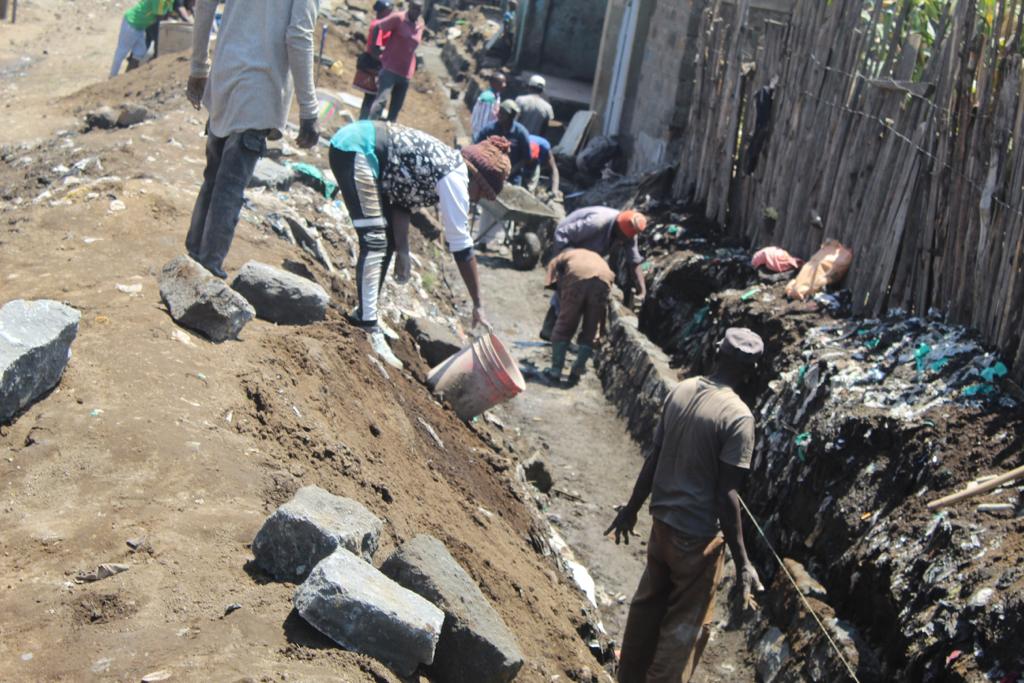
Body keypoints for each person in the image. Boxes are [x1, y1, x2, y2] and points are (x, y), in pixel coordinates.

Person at [605, 328, 766, 683]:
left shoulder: (682, 389)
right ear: (752, 371)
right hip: (696, 542)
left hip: (661, 526)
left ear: (716, 352)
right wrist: (743, 564)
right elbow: (727, 495)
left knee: (647, 609)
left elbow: (654, 457)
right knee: (684, 633)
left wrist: (631, 509)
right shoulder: (739, 418)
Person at [328, 120, 511, 369]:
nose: (477, 200)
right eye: (482, 193)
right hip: (357, 148)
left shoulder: (442, 167)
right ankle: (367, 326)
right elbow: (461, 246)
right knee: (374, 241)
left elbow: (402, 203)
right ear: (477, 179)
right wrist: (478, 304)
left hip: (361, 148)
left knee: (386, 241)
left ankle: (366, 313)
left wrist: (403, 251)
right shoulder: (454, 176)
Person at [184, 0, 320, 279]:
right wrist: (309, 109)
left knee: (214, 174)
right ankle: (208, 266)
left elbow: (205, 6)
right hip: (260, 87)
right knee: (231, 184)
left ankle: (194, 255)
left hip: (224, 77)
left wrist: (199, 67)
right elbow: (298, 35)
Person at [540, 207, 647, 339]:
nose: (622, 241)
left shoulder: (629, 234)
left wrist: (642, 290)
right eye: (622, 237)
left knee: (587, 286)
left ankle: (564, 333)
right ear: (618, 228)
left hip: (591, 252)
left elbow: (634, 261)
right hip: (568, 242)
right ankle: (552, 329)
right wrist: (565, 259)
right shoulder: (596, 222)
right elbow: (562, 232)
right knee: (573, 283)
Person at [542, 249, 611, 386]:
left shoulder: (563, 256)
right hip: (604, 279)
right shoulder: (594, 257)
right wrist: (601, 328)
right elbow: (603, 308)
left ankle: (555, 371)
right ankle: (577, 371)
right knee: (589, 331)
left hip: (577, 277)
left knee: (564, 325)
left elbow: (552, 265)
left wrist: (550, 283)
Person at [367, 0, 424, 122]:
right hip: (390, 68)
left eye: (419, 10)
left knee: (395, 109)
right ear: (409, 7)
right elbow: (378, 27)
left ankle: (387, 135)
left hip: (405, 73)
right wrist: (376, 48)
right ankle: (369, 128)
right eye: (414, 8)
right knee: (381, 102)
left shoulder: (420, 25)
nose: (416, 12)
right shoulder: (398, 18)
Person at [110, 0, 174, 77]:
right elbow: (159, 17)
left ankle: (128, 75)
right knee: (122, 51)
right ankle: (112, 76)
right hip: (132, 22)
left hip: (140, 26)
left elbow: (169, 11)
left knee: (140, 51)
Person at [474, 100, 531, 185]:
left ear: (511, 116)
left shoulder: (520, 133)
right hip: (489, 173)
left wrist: (509, 172)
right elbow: (476, 148)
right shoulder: (489, 130)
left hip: (513, 176)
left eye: (503, 113)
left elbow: (526, 158)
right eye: (499, 111)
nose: (499, 115)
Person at [357, 0, 395, 120]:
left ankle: (363, 121)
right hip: (375, 64)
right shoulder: (379, 26)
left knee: (370, 97)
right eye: (389, 11)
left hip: (376, 62)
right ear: (383, 11)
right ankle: (364, 122)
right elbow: (375, 49)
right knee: (371, 98)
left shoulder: (378, 24)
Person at [470, 72, 507, 140]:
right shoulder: (488, 99)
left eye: (505, 82)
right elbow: (483, 122)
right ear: (494, 84)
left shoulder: (497, 94)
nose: (505, 85)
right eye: (502, 83)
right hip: (481, 135)